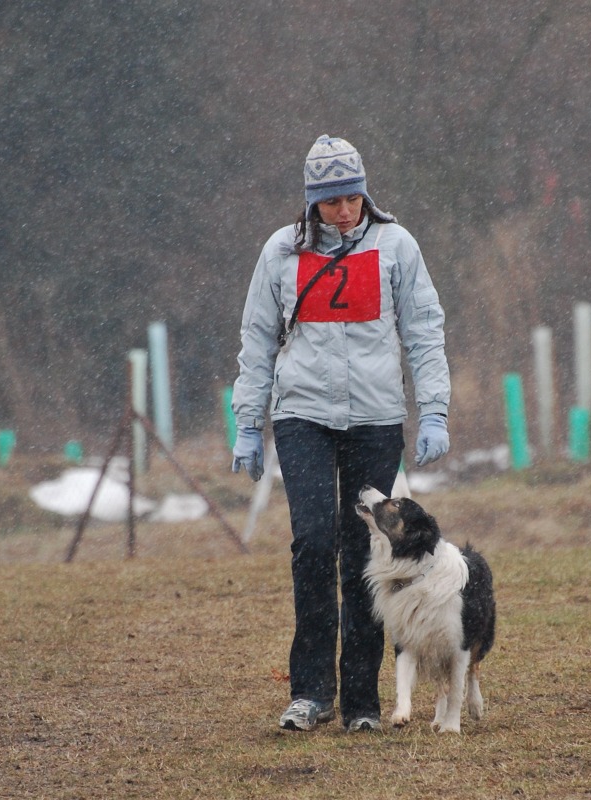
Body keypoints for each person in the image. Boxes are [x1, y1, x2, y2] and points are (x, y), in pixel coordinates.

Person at [231, 134, 450, 733]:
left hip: (376, 419)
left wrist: (434, 410)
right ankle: (310, 692)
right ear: (312, 202)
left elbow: (424, 330)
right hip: (301, 415)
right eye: (331, 201)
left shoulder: (396, 246)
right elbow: (256, 338)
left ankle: (360, 701)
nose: (345, 210)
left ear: (364, 193)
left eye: (352, 197)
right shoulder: (280, 252)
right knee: (313, 541)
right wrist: (247, 421)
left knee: (366, 553)